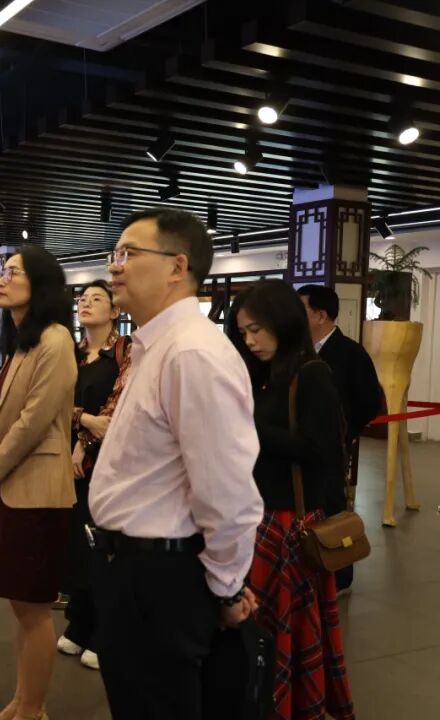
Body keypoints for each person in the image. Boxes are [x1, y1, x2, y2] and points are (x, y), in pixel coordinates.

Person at [88, 208, 264, 720]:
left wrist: (227, 587)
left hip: (162, 577)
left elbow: (226, 489)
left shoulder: (192, 352)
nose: (115, 266)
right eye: (114, 254)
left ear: (177, 266)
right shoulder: (156, 346)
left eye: (128, 253)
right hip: (132, 569)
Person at [228, 280, 355, 720]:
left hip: (288, 522)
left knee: (286, 631)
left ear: (282, 322)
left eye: (256, 330)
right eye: (243, 332)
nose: (250, 340)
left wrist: (251, 429)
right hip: (257, 516)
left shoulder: (311, 374)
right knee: (262, 632)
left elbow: (321, 453)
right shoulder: (262, 375)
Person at [0, 246, 77, 720]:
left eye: (12, 272)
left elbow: (35, 420)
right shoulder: (23, 342)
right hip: (15, 485)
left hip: (38, 491)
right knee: (21, 607)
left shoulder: (56, 340)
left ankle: (33, 710)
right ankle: (20, 700)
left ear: (40, 283)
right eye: (2, 271)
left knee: (34, 609)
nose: (2, 278)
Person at [57, 279, 130, 670]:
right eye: (83, 299)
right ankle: (80, 622)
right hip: (65, 458)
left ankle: (107, 631)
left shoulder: (123, 352)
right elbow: (55, 401)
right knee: (75, 541)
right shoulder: (71, 352)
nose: (86, 303)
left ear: (114, 311)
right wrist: (84, 421)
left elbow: (119, 408)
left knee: (103, 542)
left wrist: (84, 441)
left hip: (108, 460)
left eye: (96, 299)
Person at [297, 284, 381, 595]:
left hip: (333, 447)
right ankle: (311, 568)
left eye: (301, 310)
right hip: (303, 446)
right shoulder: (299, 351)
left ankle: (340, 575)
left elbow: (369, 401)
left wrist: (346, 431)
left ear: (320, 315)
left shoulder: (350, 353)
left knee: (332, 507)